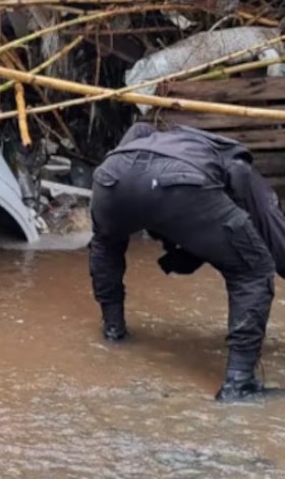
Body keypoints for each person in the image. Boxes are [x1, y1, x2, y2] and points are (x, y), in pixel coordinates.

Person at [88, 122, 285, 402]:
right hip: (181, 183)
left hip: (110, 176)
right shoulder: (233, 158)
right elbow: (267, 222)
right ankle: (239, 383)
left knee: (105, 243)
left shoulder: (149, 138)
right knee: (255, 270)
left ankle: (113, 331)